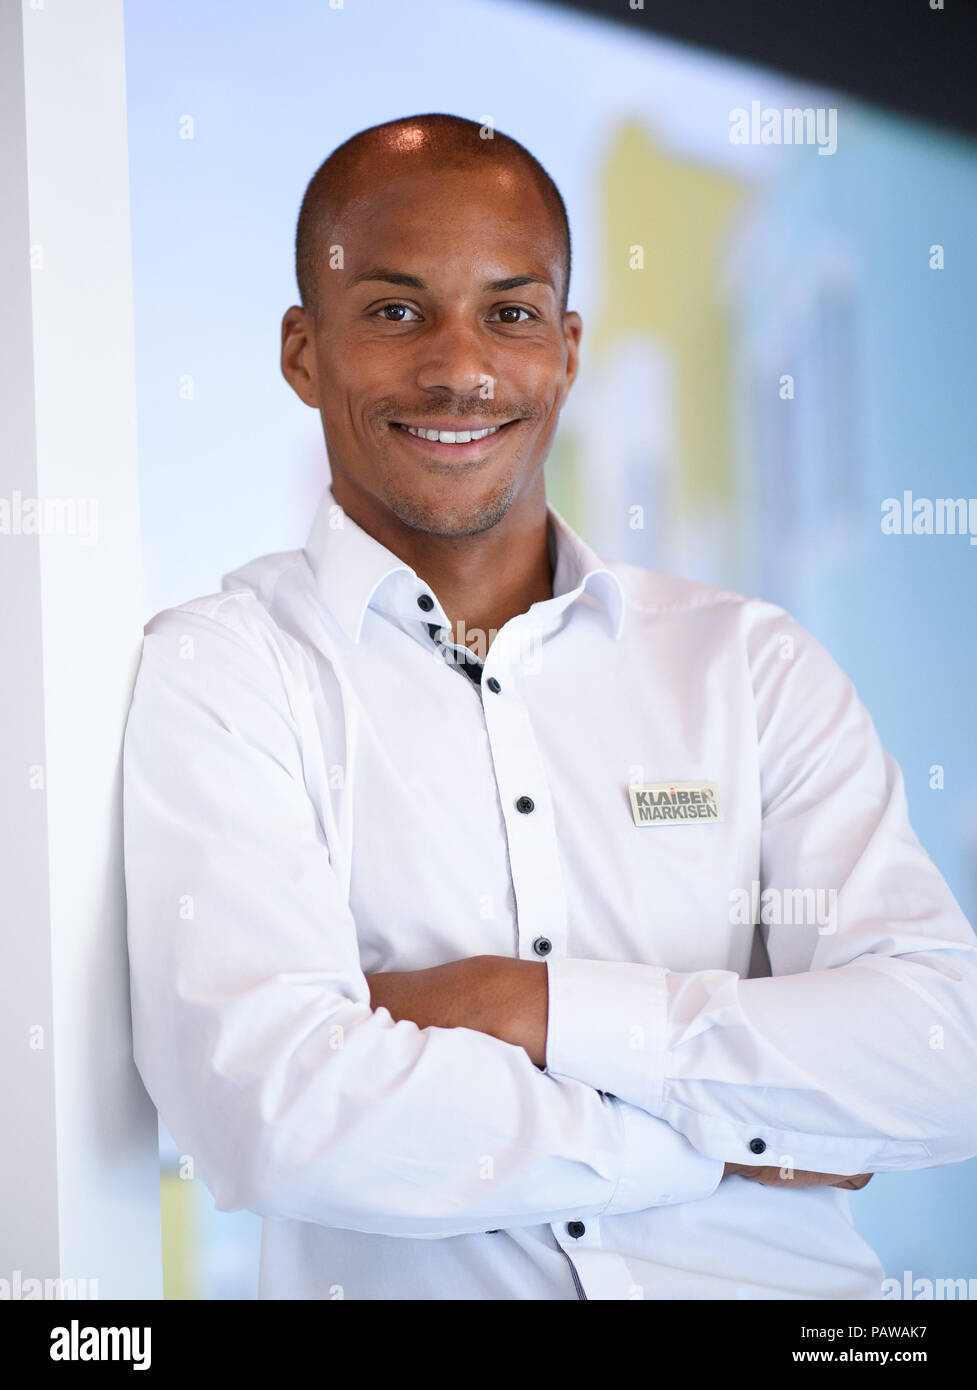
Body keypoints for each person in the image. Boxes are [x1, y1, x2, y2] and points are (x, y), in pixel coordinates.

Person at [122, 112, 977, 1301]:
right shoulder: (225, 671)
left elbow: (940, 1058)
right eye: (394, 309)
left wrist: (513, 1001)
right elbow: (275, 1111)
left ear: (566, 351)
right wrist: (736, 1126)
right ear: (302, 351)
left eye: (510, 314)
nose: (459, 367)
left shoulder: (751, 668)